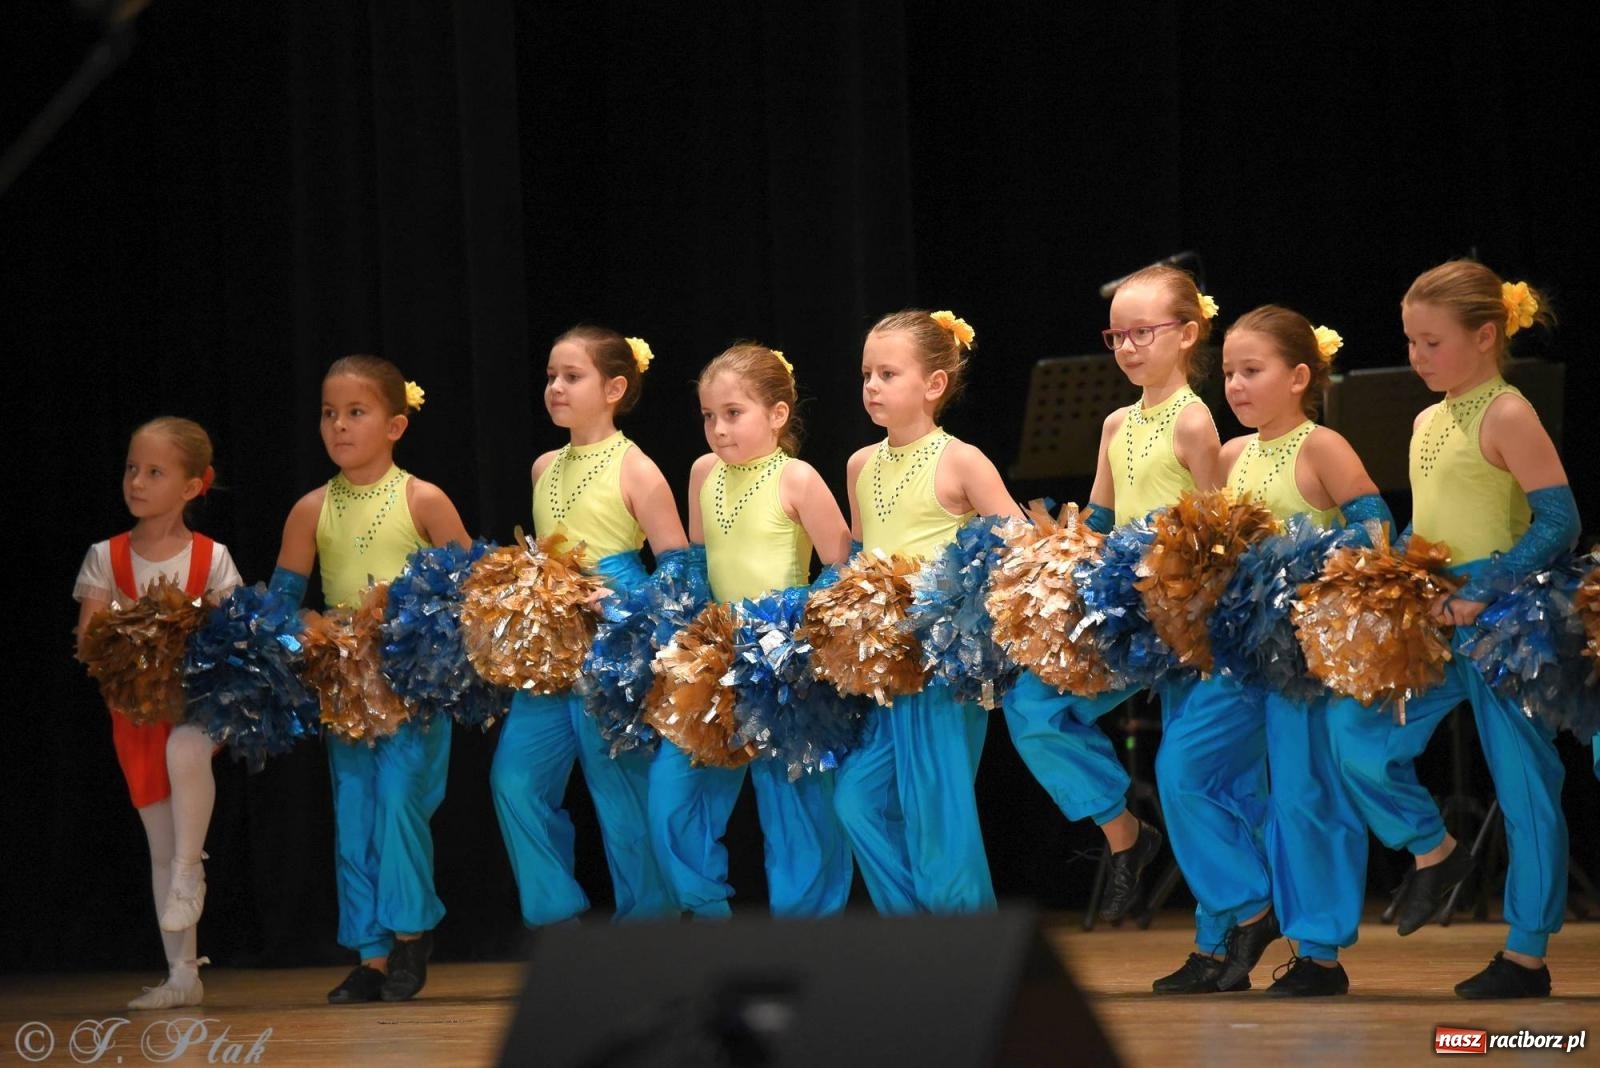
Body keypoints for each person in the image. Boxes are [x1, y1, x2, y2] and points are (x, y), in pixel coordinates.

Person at [1331, 261, 1579, 998]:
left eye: (1431, 342)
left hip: (1508, 625)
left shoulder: (1507, 412)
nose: (1417, 356)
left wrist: (1484, 588)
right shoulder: (1424, 420)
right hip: (1438, 620)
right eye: (1410, 341)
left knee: (1527, 783)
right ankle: (1433, 849)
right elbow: (1432, 524)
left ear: (1485, 335)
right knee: (1357, 735)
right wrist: (1392, 571)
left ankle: (1526, 955)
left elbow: (1560, 523)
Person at [1001, 267, 1243, 993]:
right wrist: (1056, 570)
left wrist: (1188, 604)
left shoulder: (1196, 421)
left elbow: (1216, 527)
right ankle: (1123, 834)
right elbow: (1101, 522)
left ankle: (1217, 941)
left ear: (1188, 335)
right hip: (1124, 618)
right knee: (1032, 706)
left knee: (1197, 778)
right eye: (1118, 334)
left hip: (1180, 624)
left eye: (1146, 332)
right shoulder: (1116, 423)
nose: (1130, 347)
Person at [272, 356, 470, 1004]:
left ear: (395, 425)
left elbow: (473, 586)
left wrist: (403, 611)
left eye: (355, 412)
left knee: (397, 805)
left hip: (411, 688)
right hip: (347, 695)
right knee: (353, 815)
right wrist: (307, 624)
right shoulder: (311, 509)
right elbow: (281, 603)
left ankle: (412, 934)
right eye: (329, 413)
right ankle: (372, 956)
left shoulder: (423, 499)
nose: (339, 425)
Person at [1210, 306, 1393, 995]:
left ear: (1297, 376)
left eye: (1251, 371)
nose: (1235, 384)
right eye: (1228, 372)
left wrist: (1309, 570)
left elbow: (1377, 527)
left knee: (1306, 793)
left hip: (1305, 659)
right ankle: (1252, 909)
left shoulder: (1324, 446)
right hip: (1246, 655)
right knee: (1194, 772)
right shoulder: (1231, 455)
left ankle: (1319, 953)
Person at [647, 342, 856, 917]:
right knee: (672, 792)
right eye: (709, 416)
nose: (718, 429)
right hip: (716, 657)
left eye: (733, 413)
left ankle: (805, 935)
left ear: (777, 414)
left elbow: (843, 566)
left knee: (793, 803)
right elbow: (693, 560)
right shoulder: (701, 473)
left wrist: (792, 626)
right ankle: (705, 913)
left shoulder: (798, 479)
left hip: (781, 656)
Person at [489, 327, 681, 932]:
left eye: (572, 377)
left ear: (614, 388)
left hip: (612, 638)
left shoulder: (637, 468)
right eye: (551, 376)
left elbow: (677, 564)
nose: (556, 387)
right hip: (551, 647)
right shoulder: (544, 465)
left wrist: (622, 607)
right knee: (514, 780)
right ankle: (557, 922)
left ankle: (649, 929)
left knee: (620, 793)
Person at [832, 309, 1022, 914]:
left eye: (888, 373)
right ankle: (919, 936)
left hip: (946, 667)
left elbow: (1021, 543)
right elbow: (860, 560)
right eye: (867, 374)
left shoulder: (962, 460)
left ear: (934, 384)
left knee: (938, 813)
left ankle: (966, 952)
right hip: (890, 668)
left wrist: (958, 597)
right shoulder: (860, 465)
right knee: (858, 801)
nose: (871, 386)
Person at [74, 417, 243, 1009]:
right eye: (131, 468)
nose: (137, 482)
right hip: (138, 713)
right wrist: (135, 646)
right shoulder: (106, 557)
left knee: (188, 750)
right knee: (159, 843)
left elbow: (238, 636)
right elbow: (89, 642)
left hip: (198, 705)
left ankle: (192, 868)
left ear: (193, 486)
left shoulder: (212, 558)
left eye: (154, 472)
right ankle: (182, 976)